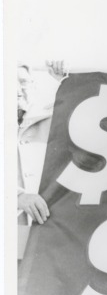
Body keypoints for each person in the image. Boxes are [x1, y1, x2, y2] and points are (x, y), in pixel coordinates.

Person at [17, 61, 67, 226]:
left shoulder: (45, 115)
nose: (18, 91)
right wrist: (16, 197)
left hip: (46, 229)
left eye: (24, 82)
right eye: (10, 83)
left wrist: (61, 78)